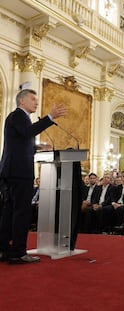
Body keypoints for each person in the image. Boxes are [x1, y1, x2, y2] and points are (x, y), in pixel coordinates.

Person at [0, 89, 67, 264]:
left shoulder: (17, 118)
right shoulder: (18, 116)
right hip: (19, 172)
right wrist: (50, 117)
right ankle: (19, 252)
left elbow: (19, 142)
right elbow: (27, 133)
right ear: (22, 101)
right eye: (33, 99)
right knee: (21, 212)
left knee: (9, 212)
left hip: (11, 171)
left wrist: (37, 147)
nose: (36, 102)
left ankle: (4, 249)